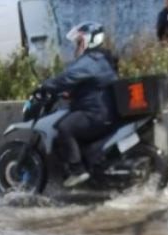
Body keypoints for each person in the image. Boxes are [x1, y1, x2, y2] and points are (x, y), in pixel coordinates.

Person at [38, 22, 118, 188]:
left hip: (95, 113)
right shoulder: (101, 58)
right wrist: (71, 94)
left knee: (64, 128)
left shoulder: (90, 60)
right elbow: (91, 86)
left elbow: (67, 77)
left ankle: (77, 170)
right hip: (103, 111)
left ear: (88, 40)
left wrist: (45, 86)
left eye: (79, 42)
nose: (77, 46)